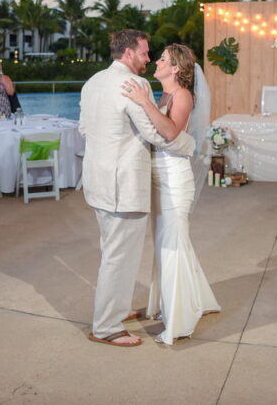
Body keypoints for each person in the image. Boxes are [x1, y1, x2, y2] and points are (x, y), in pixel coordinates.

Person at [79, 29, 196, 347]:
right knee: (120, 257)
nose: (148, 58)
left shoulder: (93, 82)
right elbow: (159, 135)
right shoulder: (136, 85)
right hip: (123, 185)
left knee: (110, 251)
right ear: (129, 53)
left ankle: (114, 308)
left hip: (96, 181)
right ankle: (106, 327)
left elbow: (83, 128)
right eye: (145, 53)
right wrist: (189, 143)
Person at [122, 44, 220, 344]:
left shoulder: (182, 95)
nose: (156, 62)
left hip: (174, 179)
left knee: (172, 245)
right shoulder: (163, 94)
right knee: (168, 244)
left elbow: (171, 132)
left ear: (175, 67)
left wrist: (144, 102)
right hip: (156, 177)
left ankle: (178, 320)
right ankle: (186, 300)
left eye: (162, 59)